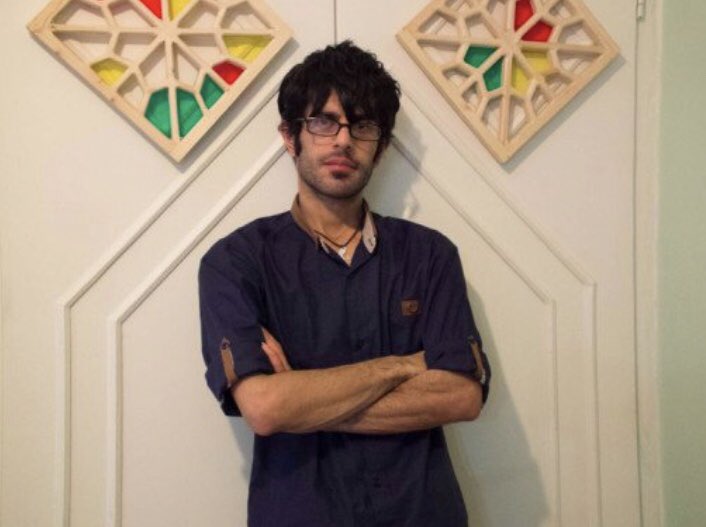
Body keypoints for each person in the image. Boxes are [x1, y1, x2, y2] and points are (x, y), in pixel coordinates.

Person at [198, 41, 491, 527]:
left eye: (363, 126)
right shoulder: (235, 262)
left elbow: (461, 396)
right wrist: (405, 365)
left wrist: (301, 398)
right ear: (290, 136)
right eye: (323, 122)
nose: (343, 141)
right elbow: (265, 409)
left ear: (381, 147)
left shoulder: (430, 255)